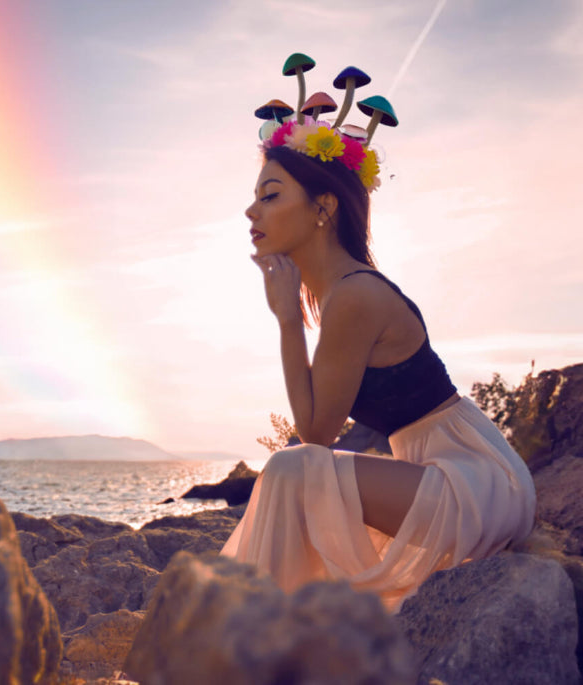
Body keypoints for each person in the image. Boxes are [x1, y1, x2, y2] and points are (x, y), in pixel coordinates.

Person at [217, 58, 536, 611]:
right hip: (439, 477)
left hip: (477, 486)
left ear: (323, 207)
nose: (251, 209)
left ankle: (260, 639)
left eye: (270, 194)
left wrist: (289, 320)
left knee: (291, 467)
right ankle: (271, 633)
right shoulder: (342, 293)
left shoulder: (355, 296)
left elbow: (314, 436)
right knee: (290, 472)